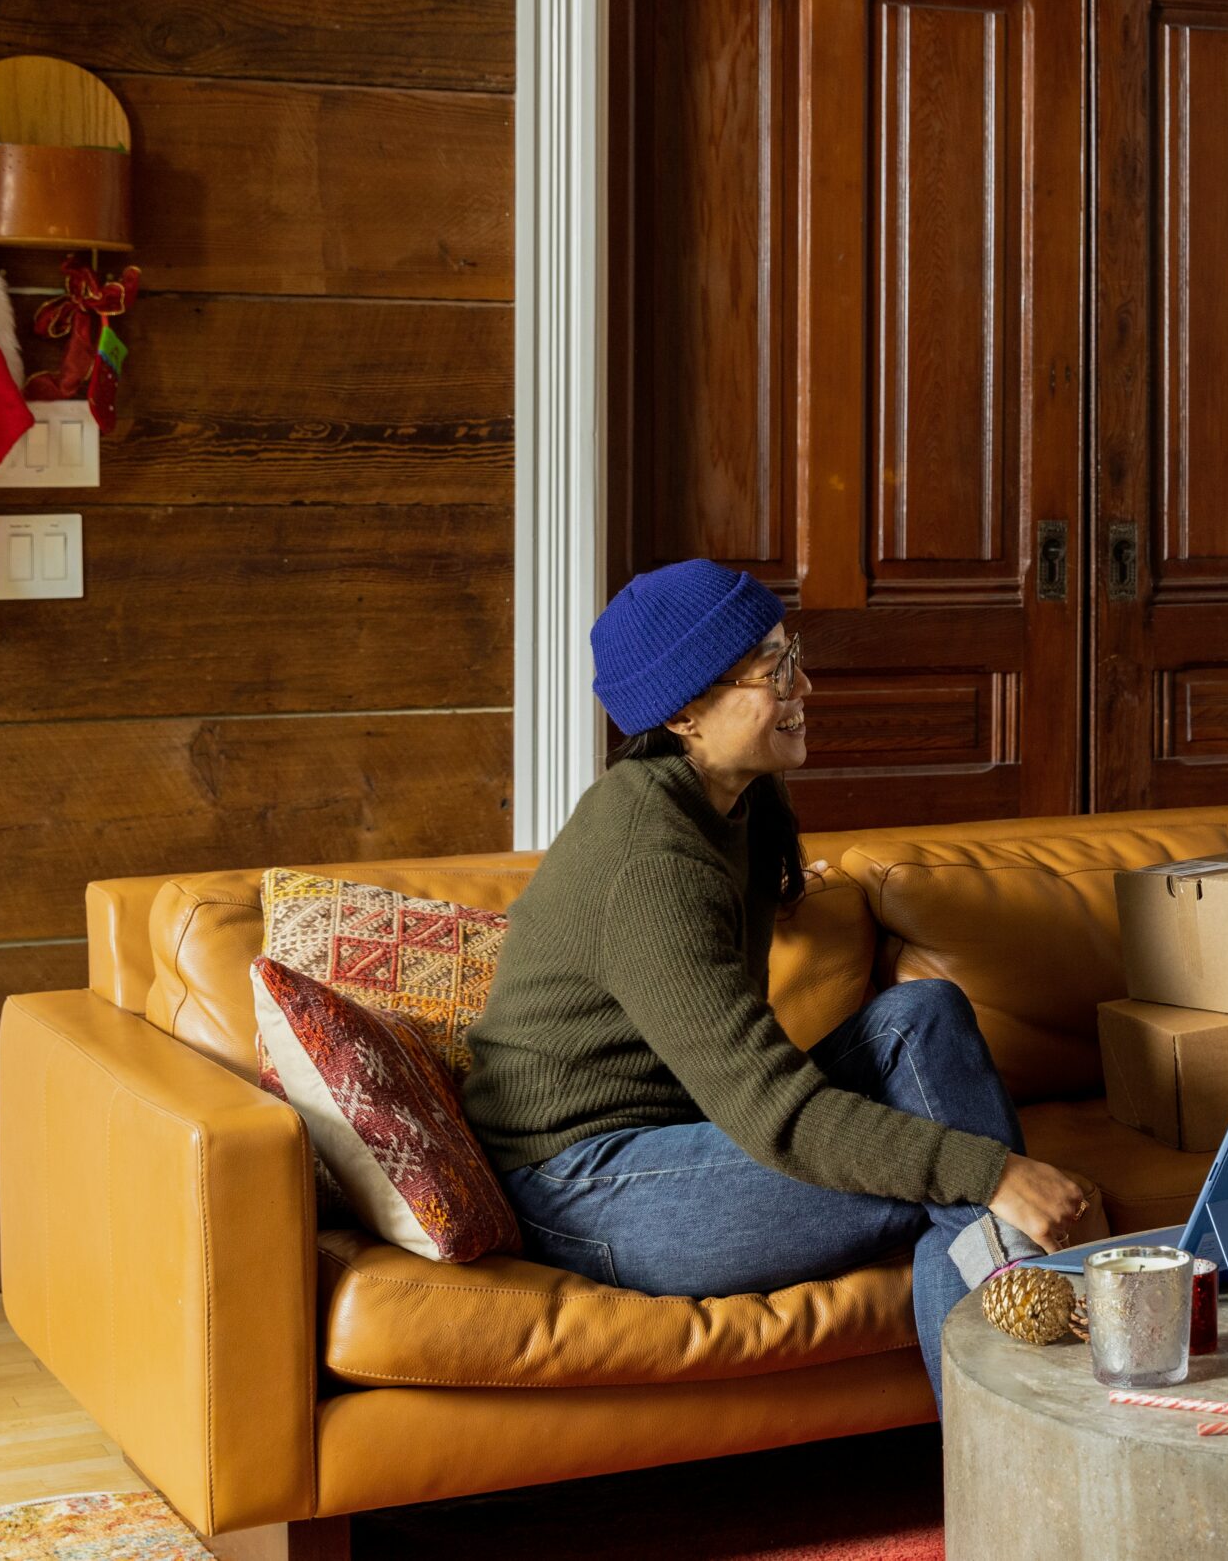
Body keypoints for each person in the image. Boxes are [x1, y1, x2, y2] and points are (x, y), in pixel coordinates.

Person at [461, 558, 1093, 1404]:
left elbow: (726, 924)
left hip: (678, 1134)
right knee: (964, 1195)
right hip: (584, 1188)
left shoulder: (738, 803)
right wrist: (992, 1172)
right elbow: (775, 1111)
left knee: (924, 1014)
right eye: (774, 670)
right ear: (684, 711)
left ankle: (1015, 1461)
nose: (804, 684)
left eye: (792, 653)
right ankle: (1016, 1491)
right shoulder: (649, 857)